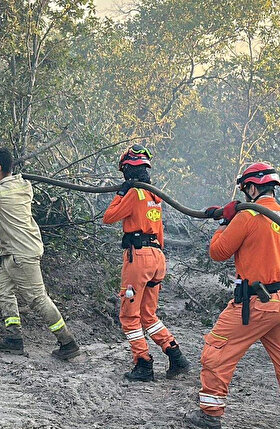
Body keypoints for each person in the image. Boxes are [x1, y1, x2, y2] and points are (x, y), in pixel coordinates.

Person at [184, 162, 280, 429]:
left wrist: (224, 222)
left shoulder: (249, 215)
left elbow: (218, 252)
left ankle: (209, 415)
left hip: (261, 302)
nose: (245, 196)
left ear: (253, 188)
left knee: (216, 349)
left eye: (246, 190)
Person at [0, 148, 81, 360]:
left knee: (38, 299)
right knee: (3, 290)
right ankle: (13, 339)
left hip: (21, 255)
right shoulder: (23, 186)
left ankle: (67, 342)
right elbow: (5, 195)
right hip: (16, 253)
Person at [103, 144, 190, 382]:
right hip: (157, 257)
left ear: (127, 170)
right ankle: (176, 356)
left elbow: (109, 217)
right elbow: (160, 231)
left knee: (129, 316)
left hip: (138, 258)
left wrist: (121, 193)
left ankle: (143, 364)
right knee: (148, 315)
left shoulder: (135, 193)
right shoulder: (154, 195)